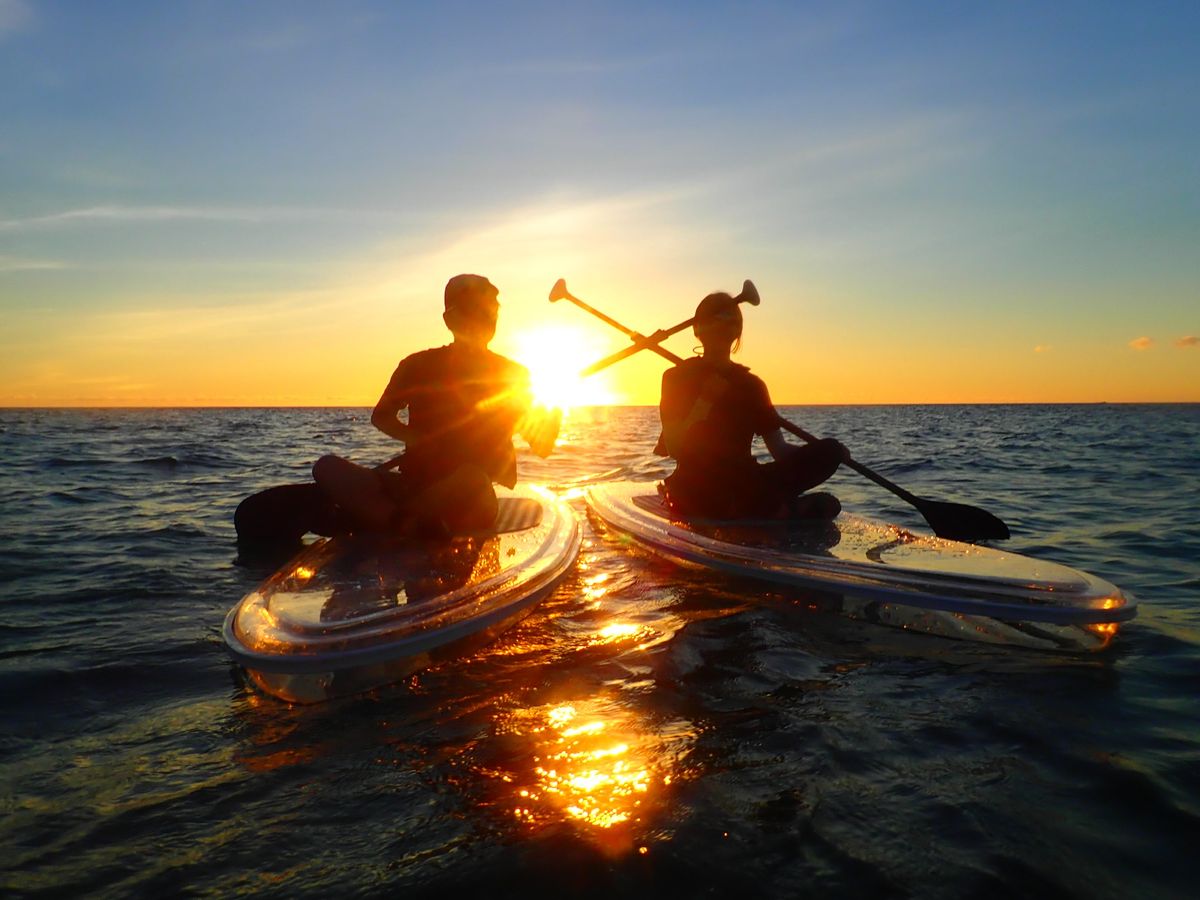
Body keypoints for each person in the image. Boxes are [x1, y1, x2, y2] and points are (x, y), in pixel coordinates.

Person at [235, 274, 559, 545]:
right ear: (450, 319)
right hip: (414, 485)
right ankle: (405, 522)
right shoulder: (418, 365)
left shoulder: (514, 376)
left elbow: (541, 446)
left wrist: (553, 413)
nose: (486, 317)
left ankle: (384, 518)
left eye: (491, 310)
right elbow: (382, 416)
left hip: (470, 499)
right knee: (327, 466)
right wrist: (418, 438)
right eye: (475, 309)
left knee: (471, 477)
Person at [654, 289, 847, 520]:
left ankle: (772, 508)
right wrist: (705, 400)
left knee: (831, 450)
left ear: (738, 331)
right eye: (716, 319)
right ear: (697, 330)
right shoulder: (676, 378)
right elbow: (674, 447)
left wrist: (826, 455)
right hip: (697, 485)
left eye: (732, 321)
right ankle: (778, 510)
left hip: (746, 480)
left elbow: (780, 451)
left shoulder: (752, 385)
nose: (724, 326)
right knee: (735, 496)